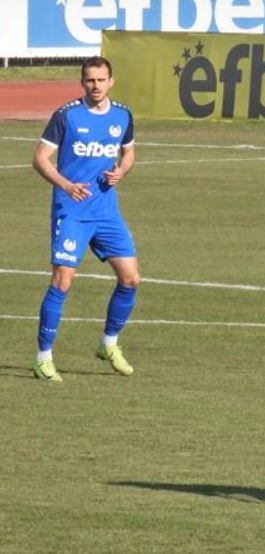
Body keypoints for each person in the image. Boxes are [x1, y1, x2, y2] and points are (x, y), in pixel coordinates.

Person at [31, 56, 139, 382]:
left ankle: (108, 344)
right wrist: (66, 185)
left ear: (111, 81)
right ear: (82, 83)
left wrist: (121, 171)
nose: (96, 86)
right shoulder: (67, 116)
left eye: (101, 80)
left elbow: (128, 152)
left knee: (131, 279)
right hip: (72, 212)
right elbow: (40, 159)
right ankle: (43, 358)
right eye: (90, 80)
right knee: (62, 281)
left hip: (106, 212)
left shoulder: (122, 115)